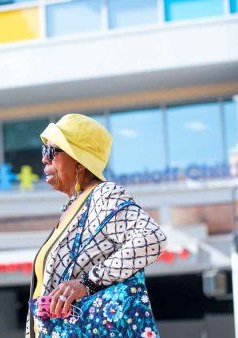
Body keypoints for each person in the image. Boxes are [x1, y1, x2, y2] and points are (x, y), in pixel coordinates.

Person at [27, 114, 167, 337]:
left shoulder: (104, 194)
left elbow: (151, 238)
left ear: (79, 161)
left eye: (52, 151)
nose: (45, 159)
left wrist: (88, 283)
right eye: (44, 151)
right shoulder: (74, 205)